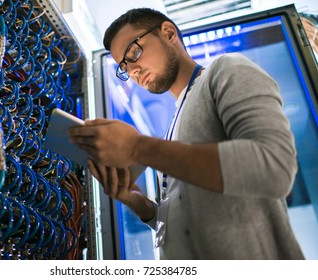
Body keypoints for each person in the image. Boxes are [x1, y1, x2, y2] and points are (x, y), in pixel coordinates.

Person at [68, 8, 305, 259]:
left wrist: (138, 147)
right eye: (124, 67)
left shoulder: (226, 70)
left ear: (169, 33)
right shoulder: (172, 127)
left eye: (134, 52)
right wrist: (141, 205)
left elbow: (274, 166)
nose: (133, 71)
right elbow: (187, 219)